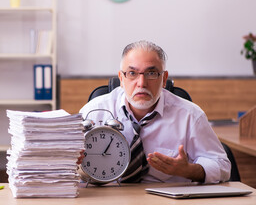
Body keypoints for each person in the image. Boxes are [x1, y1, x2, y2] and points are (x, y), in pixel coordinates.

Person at [79, 40, 231, 183]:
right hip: (108, 197)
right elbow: (63, 163)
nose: (141, 83)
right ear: (121, 78)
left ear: (164, 79)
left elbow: (222, 166)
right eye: (132, 73)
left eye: (151, 73)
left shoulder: (190, 115)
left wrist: (190, 170)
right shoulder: (94, 111)